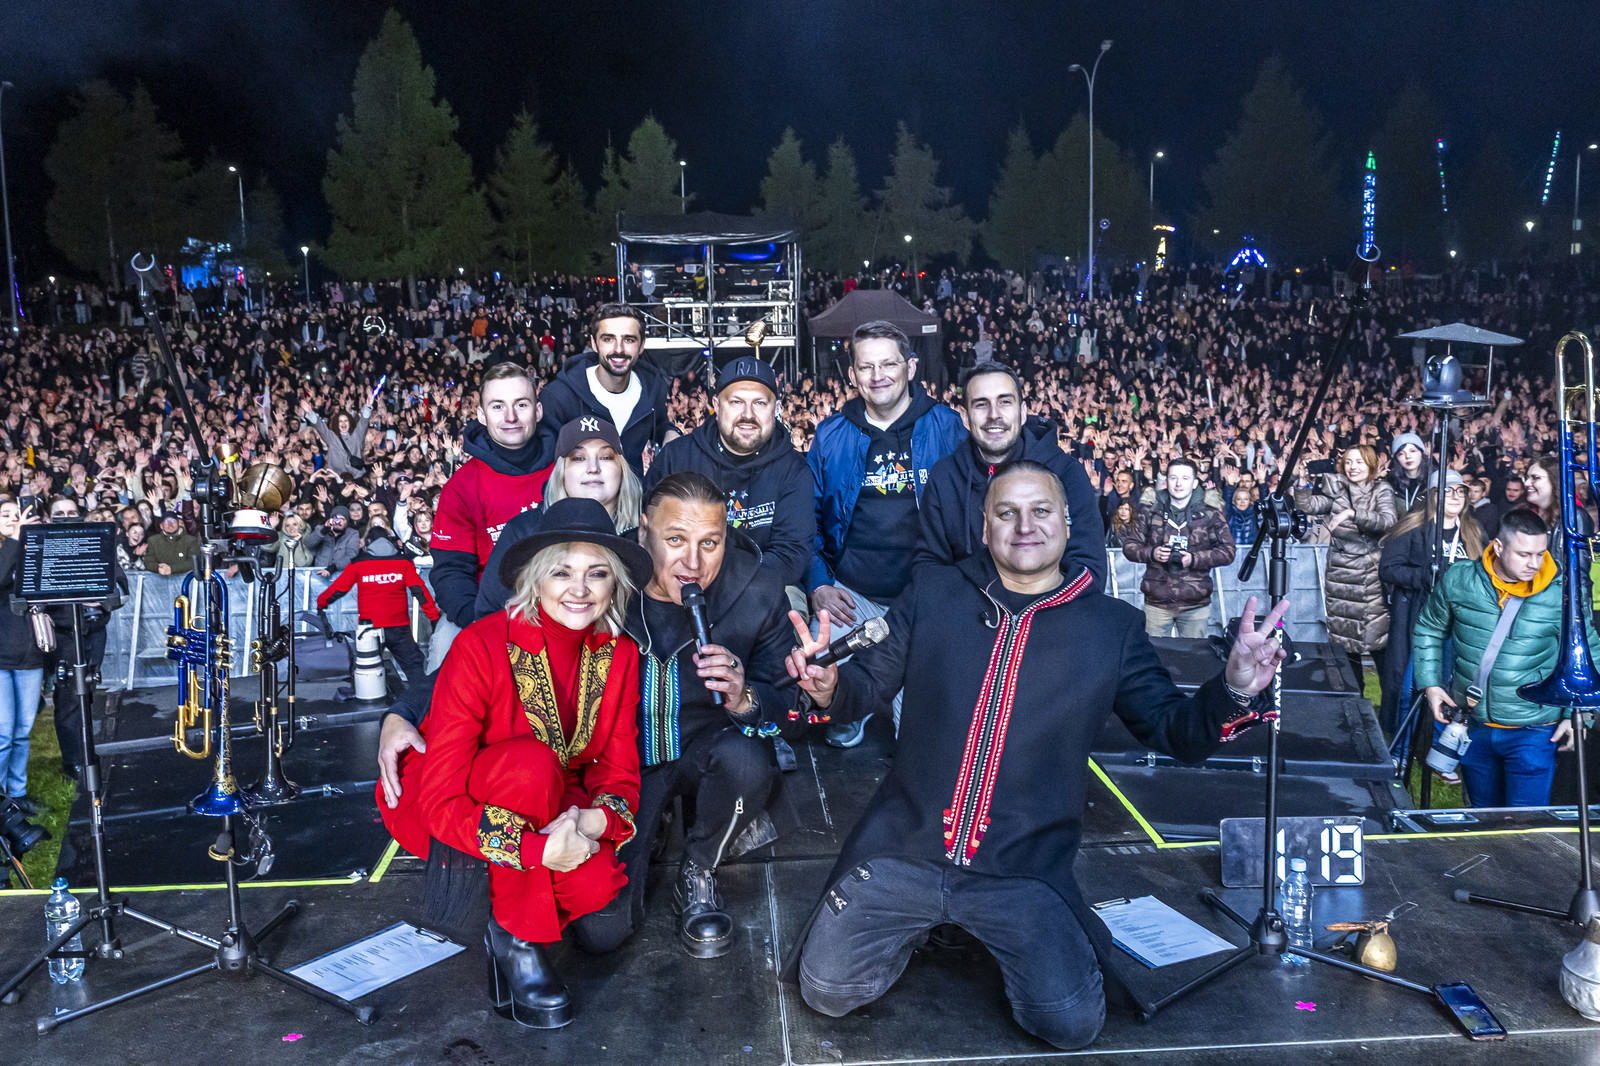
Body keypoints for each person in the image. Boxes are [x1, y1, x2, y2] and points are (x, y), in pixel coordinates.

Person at [779, 461, 1289, 1049]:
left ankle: (983, 930)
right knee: (827, 988)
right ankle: (931, 925)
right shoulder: (933, 592)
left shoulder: (1112, 627)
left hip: (1023, 866)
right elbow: (865, 686)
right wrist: (828, 688)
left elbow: (1176, 732)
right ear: (985, 528)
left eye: (1041, 511)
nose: (1025, 526)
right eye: (1007, 513)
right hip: (906, 847)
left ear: (1068, 523)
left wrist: (1234, 690)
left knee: (1069, 1023)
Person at [379, 498, 650, 1029]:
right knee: (532, 765)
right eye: (562, 572)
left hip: (554, 800)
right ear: (535, 577)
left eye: (597, 573)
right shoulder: (480, 645)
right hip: (449, 796)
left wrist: (594, 820)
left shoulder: (620, 653)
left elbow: (618, 772)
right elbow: (439, 800)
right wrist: (538, 850)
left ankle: (509, 903)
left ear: (614, 583)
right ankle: (515, 937)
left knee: (597, 887)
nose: (580, 589)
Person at [569, 472, 796, 960]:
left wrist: (743, 697)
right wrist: (408, 710)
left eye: (710, 543)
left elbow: (786, 701)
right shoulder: (602, 574)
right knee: (600, 933)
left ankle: (700, 866)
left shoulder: (757, 587)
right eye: (675, 540)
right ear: (643, 531)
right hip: (621, 765)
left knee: (747, 760)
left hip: (707, 751)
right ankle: (652, 824)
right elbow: (502, 645)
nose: (693, 563)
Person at [379, 417, 642, 810]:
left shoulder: (645, 536)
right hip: (521, 730)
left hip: (616, 711)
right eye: (577, 457)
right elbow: (482, 638)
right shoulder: (525, 532)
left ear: (623, 468)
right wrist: (405, 710)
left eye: (605, 457)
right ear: (560, 470)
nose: (592, 468)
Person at [807, 320, 965, 746]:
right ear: (852, 374)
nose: (877, 376)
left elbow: (971, 514)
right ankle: (851, 707)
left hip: (924, 599)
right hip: (853, 596)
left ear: (910, 367)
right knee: (823, 656)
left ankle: (895, 697)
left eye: (889, 364)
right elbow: (808, 520)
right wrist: (819, 584)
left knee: (920, 742)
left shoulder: (947, 427)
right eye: (866, 366)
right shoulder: (831, 434)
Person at [1414, 508, 1593, 807]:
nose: (1534, 564)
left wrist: (1579, 716)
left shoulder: (1562, 592)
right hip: (1474, 725)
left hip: (1535, 731)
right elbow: (1429, 628)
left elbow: (1589, 654)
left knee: (1526, 824)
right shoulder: (1461, 579)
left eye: (1540, 554)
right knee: (1484, 819)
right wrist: (1431, 685)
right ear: (1498, 547)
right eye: (1524, 554)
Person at [914, 362, 1105, 586]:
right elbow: (929, 566)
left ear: (1022, 412)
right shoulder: (944, 476)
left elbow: (1089, 570)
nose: (994, 415)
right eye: (981, 404)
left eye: (1004, 402)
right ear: (965, 417)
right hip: (967, 607)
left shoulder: (1066, 472)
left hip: (1049, 608)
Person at [644, 356, 817, 589]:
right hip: (683, 584)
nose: (748, 414)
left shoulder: (793, 470)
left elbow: (790, 555)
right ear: (716, 405)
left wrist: (727, 589)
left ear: (776, 408)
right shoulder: (676, 458)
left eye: (759, 403)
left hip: (763, 590)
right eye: (736, 402)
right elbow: (651, 533)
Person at [428, 361, 555, 670]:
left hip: (563, 610)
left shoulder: (568, 470)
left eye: (521, 404)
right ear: (482, 415)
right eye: (498, 406)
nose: (510, 417)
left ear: (538, 410)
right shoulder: (462, 486)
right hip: (486, 614)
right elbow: (451, 570)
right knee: (444, 648)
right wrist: (480, 624)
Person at [1377, 472, 1485, 735]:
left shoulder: (1473, 531)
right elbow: (1388, 569)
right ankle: (1401, 747)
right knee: (1410, 685)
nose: (1455, 496)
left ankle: (1439, 745)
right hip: (1419, 619)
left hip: (1459, 623)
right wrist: (1424, 576)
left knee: (1450, 685)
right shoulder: (1413, 529)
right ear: (1433, 495)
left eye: (1460, 491)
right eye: (1448, 490)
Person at [534, 304, 678, 476]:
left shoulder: (652, 388)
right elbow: (544, 465)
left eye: (629, 340)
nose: (619, 349)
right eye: (608, 339)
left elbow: (658, 424)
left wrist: (669, 433)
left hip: (634, 492)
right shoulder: (559, 396)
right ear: (594, 344)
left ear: (641, 345)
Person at [1296, 445, 1398, 689]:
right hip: (1340, 578)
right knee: (1346, 648)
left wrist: (1353, 513)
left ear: (1370, 465)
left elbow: (1388, 521)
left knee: (1379, 644)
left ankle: (1391, 706)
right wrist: (1302, 482)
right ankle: (1353, 702)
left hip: (1370, 579)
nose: (1353, 467)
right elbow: (1307, 506)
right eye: (1349, 462)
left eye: (1359, 462)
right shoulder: (1337, 487)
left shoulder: (1381, 489)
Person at [1120, 457, 1236, 637]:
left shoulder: (1210, 514)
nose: (1178, 483)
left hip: (1195, 603)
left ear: (1194, 483)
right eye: (1173, 478)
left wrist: (1194, 559)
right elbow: (1129, 546)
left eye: (1185, 478)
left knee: (1192, 654)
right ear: (1166, 481)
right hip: (1157, 601)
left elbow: (1228, 551)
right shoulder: (1150, 511)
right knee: (1155, 651)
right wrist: (1152, 553)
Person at [316, 529, 439, 694]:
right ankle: (423, 703)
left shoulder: (358, 563)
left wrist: (321, 603)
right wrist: (433, 617)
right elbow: (420, 591)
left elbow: (338, 588)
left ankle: (365, 700)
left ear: (368, 543)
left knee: (365, 671)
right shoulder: (403, 562)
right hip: (398, 628)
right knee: (414, 668)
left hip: (368, 629)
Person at [0, 499, 46, 810]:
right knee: (3, 734)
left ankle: (17, 794)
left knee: (22, 731)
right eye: (5, 515)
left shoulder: (34, 551)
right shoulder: (10, 549)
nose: (13, 519)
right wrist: (16, 538)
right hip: (1, 658)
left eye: (18, 515)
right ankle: (1, 800)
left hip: (29, 653)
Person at [302, 399, 376, 478]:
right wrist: (310, 412)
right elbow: (320, 427)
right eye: (340, 421)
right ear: (337, 424)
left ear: (349, 422)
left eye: (345, 421)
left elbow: (363, 423)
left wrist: (368, 407)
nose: (343, 423)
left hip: (355, 477)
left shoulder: (356, 436)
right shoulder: (331, 437)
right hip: (336, 478)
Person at [305, 505, 360, 576]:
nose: (339, 521)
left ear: (347, 523)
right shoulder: (320, 529)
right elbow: (308, 544)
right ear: (331, 519)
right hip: (319, 574)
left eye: (342, 519)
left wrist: (334, 567)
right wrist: (323, 532)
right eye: (336, 518)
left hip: (341, 573)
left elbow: (352, 555)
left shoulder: (352, 534)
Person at [144, 511, 201, 576]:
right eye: (166, 521)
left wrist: (171, 569)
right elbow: (148, 562)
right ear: (161, 526)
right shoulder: (153, 540)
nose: (170, 524)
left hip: (184, 579)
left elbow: (193, 562)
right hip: (159, 580)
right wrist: (158, 568)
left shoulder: (190, 540)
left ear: (178, 523)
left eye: (173, 521)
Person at [1388, 432, 1432, 515]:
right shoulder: (1390, 482)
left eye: (1413, 451)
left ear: (1421, 453)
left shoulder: (1433, 480)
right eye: (1401, 453)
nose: (1408, 456)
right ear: (1396, 458)